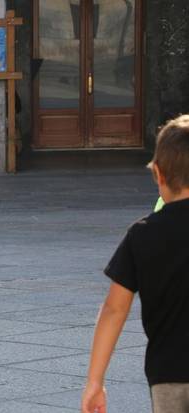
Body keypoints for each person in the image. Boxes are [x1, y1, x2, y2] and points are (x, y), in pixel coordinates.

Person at [81, 114, 189, 413]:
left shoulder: (143, 234)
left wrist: (95, 381)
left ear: (158, 174)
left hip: (169, 374)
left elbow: (115, 309)